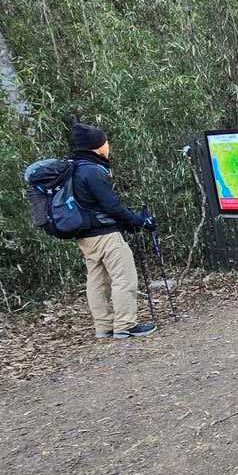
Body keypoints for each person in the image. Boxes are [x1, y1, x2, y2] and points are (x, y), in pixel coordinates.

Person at [69, 122, 157, 339]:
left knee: (97, 280)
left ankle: (104, 326)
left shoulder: (74, 168)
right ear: (97, 146)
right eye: (105, 142)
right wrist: (139, 222)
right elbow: (112, 206)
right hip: (105, 234)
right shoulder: (92, 171)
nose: (108, 146)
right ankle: (125, 324)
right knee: (124, 276)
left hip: (85, 235)